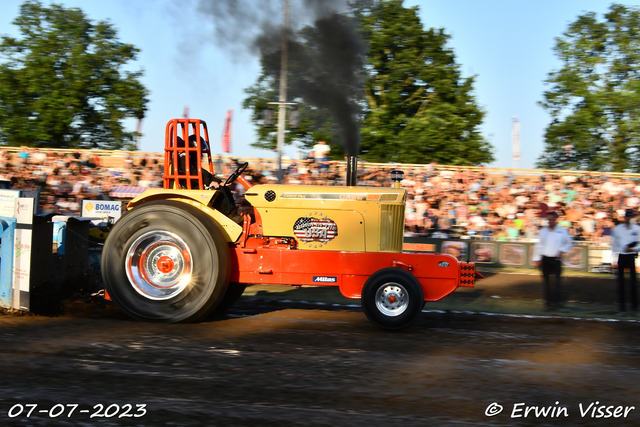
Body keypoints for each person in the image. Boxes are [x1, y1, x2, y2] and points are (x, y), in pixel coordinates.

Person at [532, 211, 573, 311]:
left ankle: (558, 303)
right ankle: (548, 303)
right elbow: (540, 245)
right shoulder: (544, 231)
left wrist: (561, 251)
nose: (550, 221)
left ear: (556, 219)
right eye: (548, 219)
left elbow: (569, 242)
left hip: (556, 259)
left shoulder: (562, 231)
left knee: (557, 282)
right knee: (546, 283)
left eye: (551, 219)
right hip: (545, 258)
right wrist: (537, 258)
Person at [611, 209, 640, 315]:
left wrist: (632, 249)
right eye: (627, 216)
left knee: (633, 284)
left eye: (630, 216)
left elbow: (639, 244)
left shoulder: (637, 229)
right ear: (625, 217)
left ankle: (634, 309)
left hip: (631, 256)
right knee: (621, 284)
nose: (629, 218)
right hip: (621, 256)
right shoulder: (618, 229)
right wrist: (613, 261)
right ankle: (622, 309)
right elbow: (614, 245)